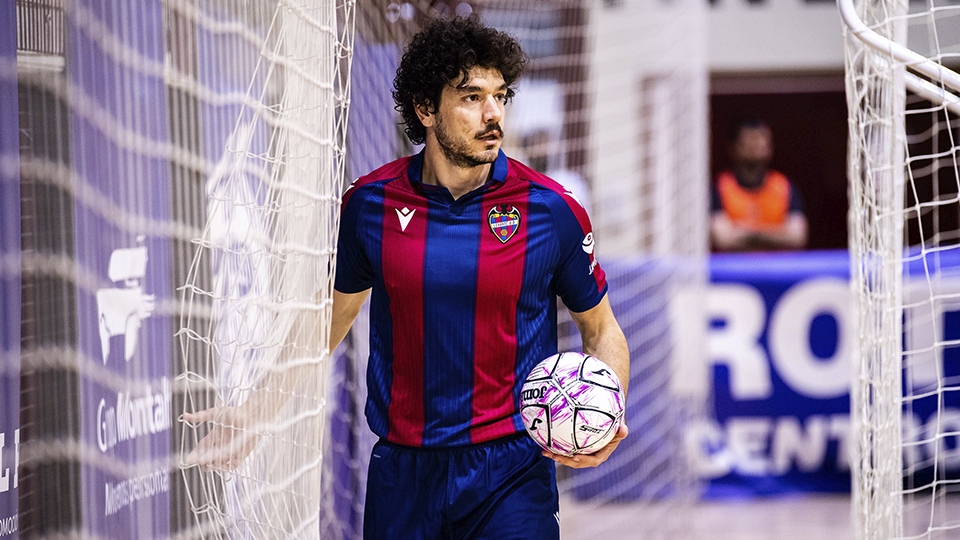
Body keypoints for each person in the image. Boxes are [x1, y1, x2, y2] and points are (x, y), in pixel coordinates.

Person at [185, 15, 629, 540]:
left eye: (501, 96)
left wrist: (607, 406)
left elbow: (601, 329)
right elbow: (329, 319)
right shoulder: (369, 205)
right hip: (403, 473)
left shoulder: (551, 210)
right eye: (470, 96)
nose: (493, 115)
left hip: (511, 472)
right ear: (425, 109)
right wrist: (257, 411)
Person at [710, 118, 808, 251]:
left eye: (762, 139)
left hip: (777, 269)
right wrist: (778, 233)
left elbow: (797, 237)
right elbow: (723, 239)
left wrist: (746, 234)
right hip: (734, 270)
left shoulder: (785, 187)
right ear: (733, 147)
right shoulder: (719, 187)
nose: (757, 144)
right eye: (750, 139)